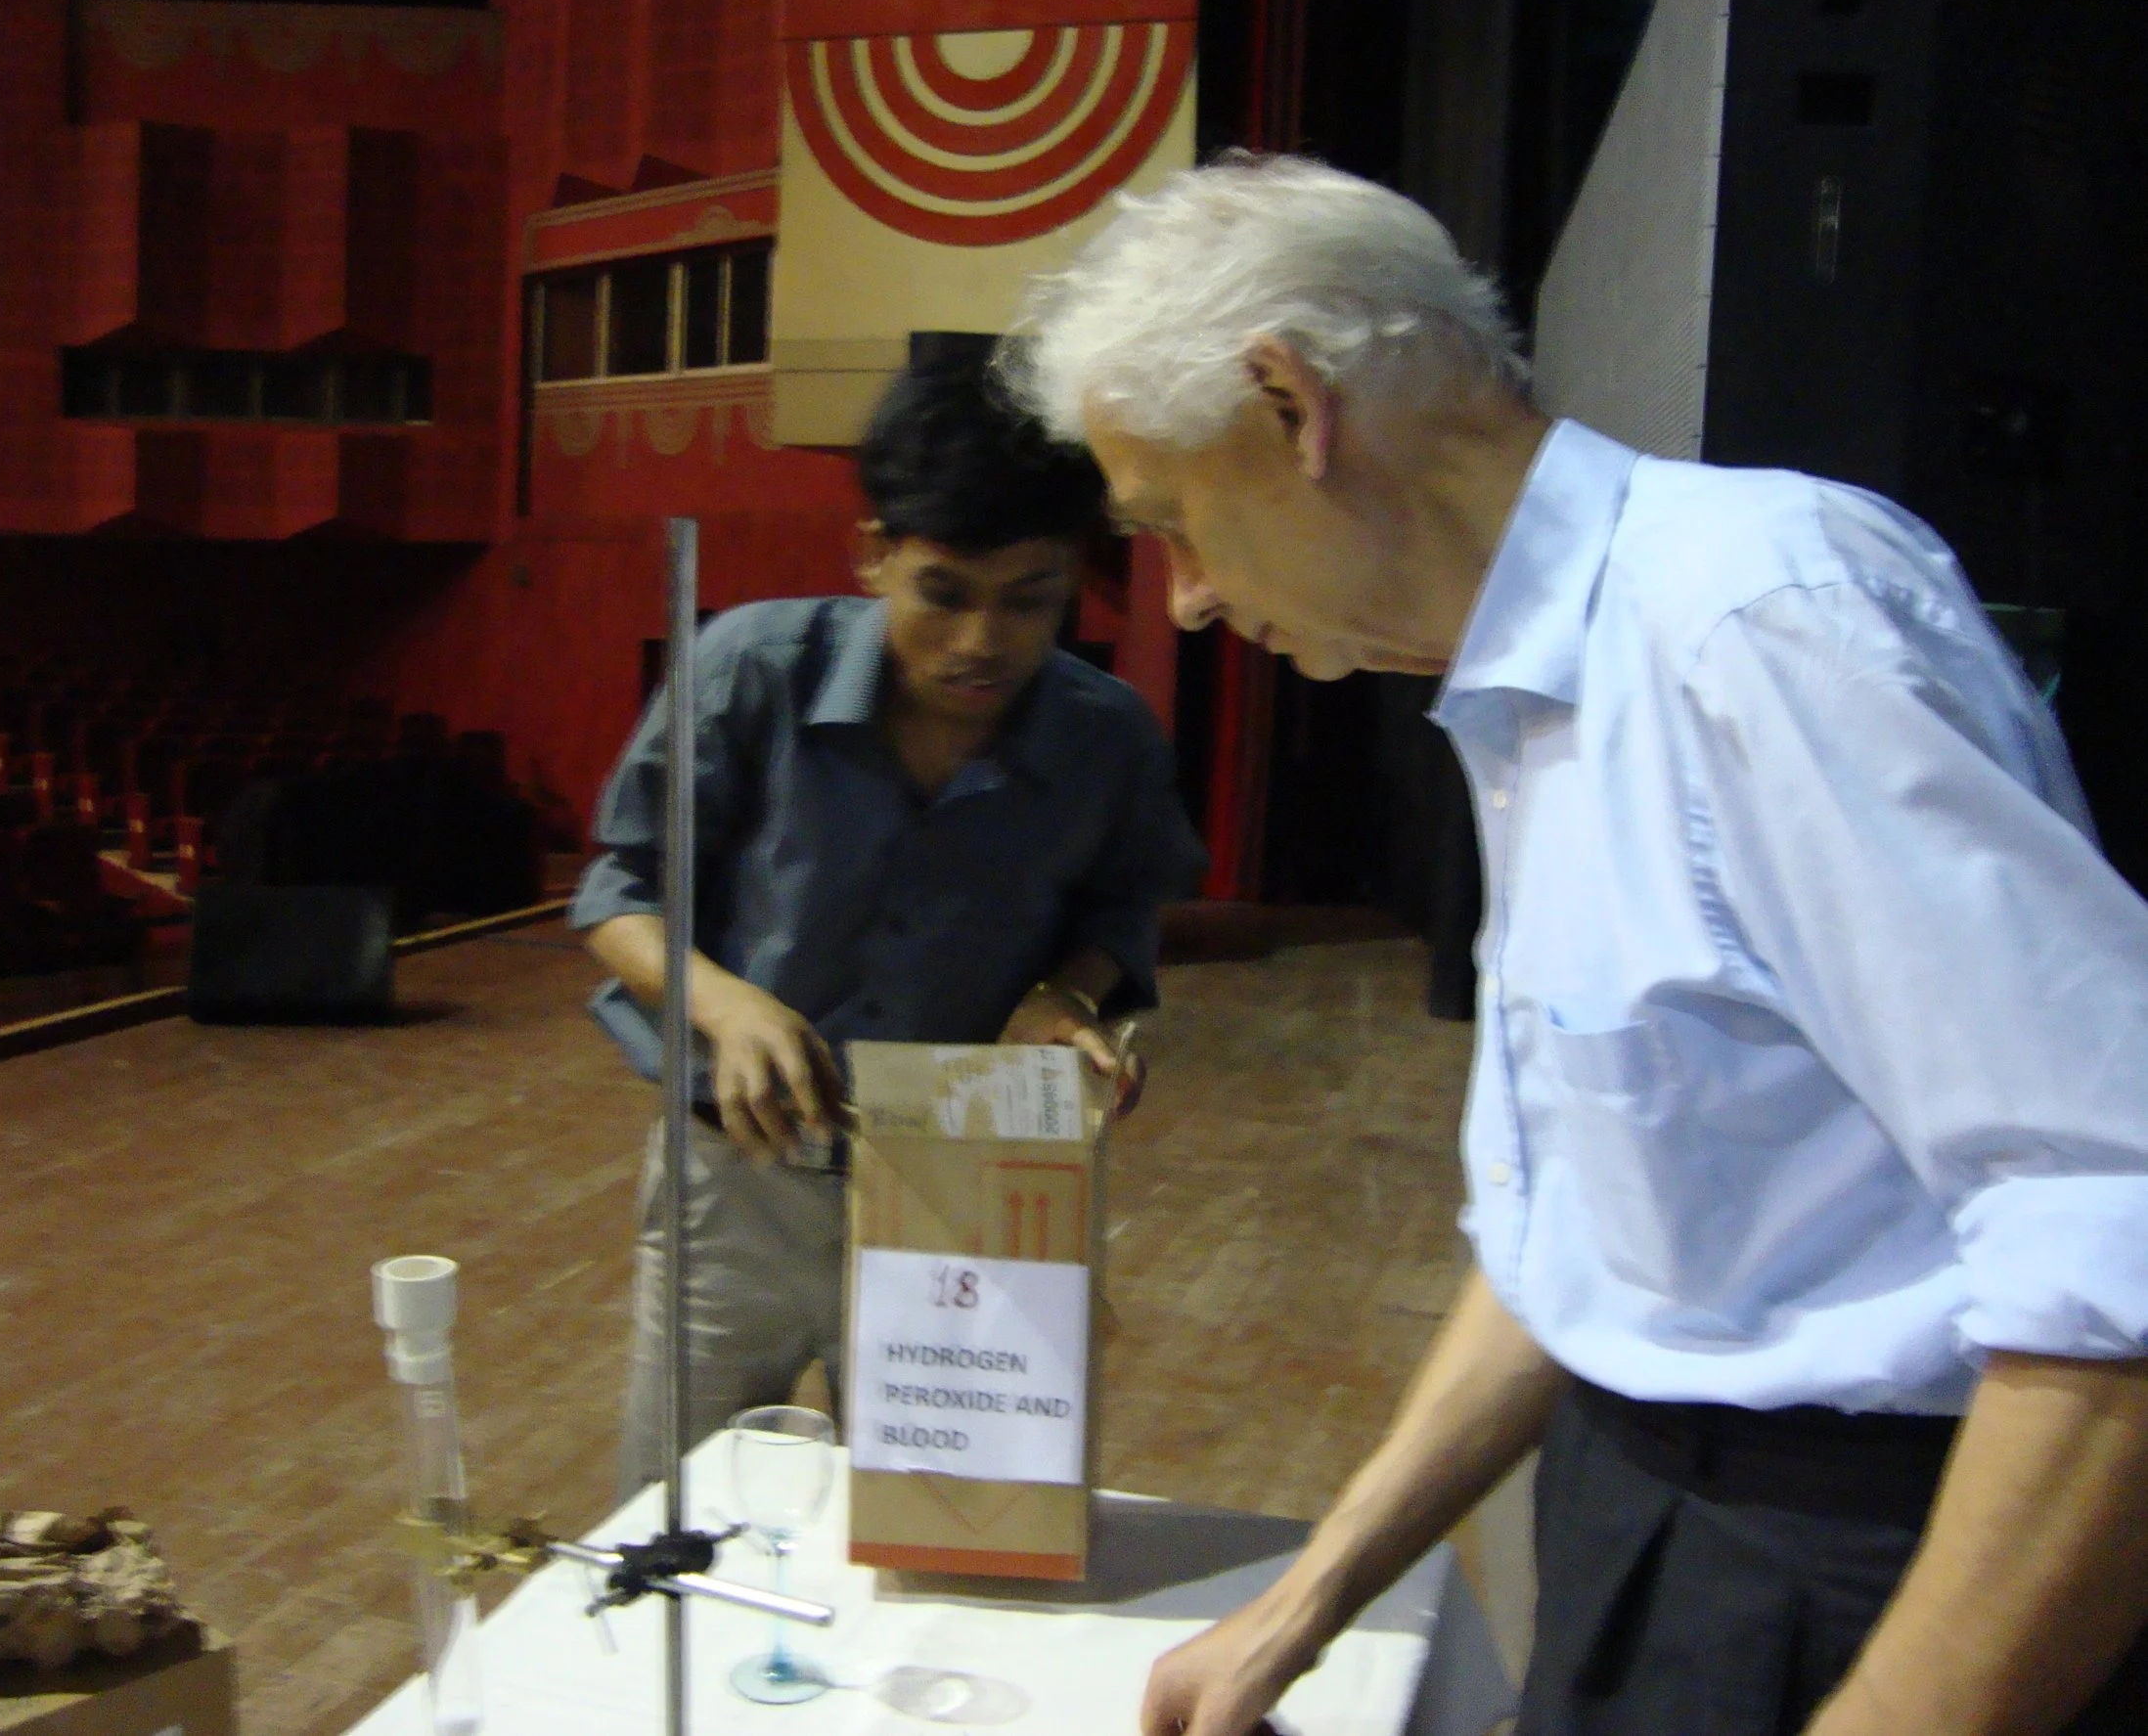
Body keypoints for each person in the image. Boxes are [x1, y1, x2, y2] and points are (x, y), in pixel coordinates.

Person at [995, 154, 2148, 1736]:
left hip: (1881, 1568)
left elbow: (2117, 1220)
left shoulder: (1758, 620)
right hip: (1646, 1522)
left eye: (1172, 521)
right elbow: (1581, 1246)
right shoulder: (1535, 697)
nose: (1186, 599)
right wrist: (1302, 1604)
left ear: (1289, 403)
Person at [570, 353, 1206, 1499]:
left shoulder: (1105, 737)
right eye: (944, 593)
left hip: (958, 1185)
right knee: (682, 1524)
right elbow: (617, 897)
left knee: (955, 1520)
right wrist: (727, 1002)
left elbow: (1121, 912)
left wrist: (1067, 1001)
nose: (981, 642)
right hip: (737, 1178)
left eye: (1030, 598)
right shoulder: (748, 671)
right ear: (873, 554)